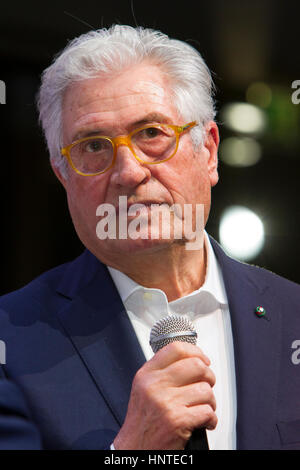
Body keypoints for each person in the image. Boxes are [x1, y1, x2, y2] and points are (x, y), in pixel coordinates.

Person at [0, 24, 300, 451]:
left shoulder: (294, 317)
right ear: (62, 176)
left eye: (152, 134)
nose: (128, 172)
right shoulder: (11, 346)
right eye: (94, 146)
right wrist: (132, 451)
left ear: (209, 152)